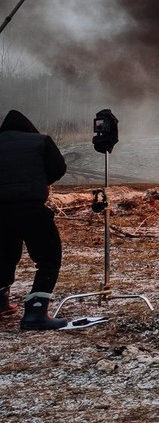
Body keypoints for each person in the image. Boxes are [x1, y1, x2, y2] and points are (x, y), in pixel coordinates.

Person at [0, 109, 70, 330]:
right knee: (48, 257)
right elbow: (59, 168)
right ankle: (36, 311)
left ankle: (0, 302)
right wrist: (38, 181)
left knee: (3, 255)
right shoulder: (40, 141)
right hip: (32, 208)